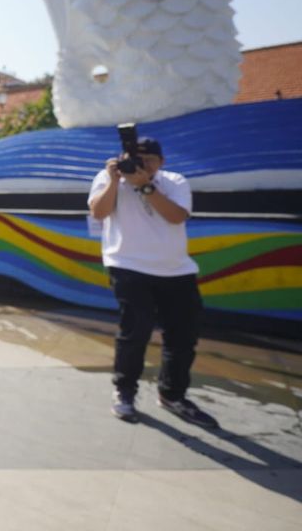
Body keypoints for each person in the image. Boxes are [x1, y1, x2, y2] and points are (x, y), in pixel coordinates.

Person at [88, 135, 218, 428]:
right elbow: (98, 212)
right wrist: (114, 181)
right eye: (137, 159)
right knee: (136, 331)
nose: (143, 165)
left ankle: (172, 394)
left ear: (162, 162)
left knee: (183, 336)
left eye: (149, 160)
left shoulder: (174, 181)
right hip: (128, 265)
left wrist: (145, 186)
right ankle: (124, 392)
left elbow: (176, 216)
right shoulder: (108, 178)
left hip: (176, 270)